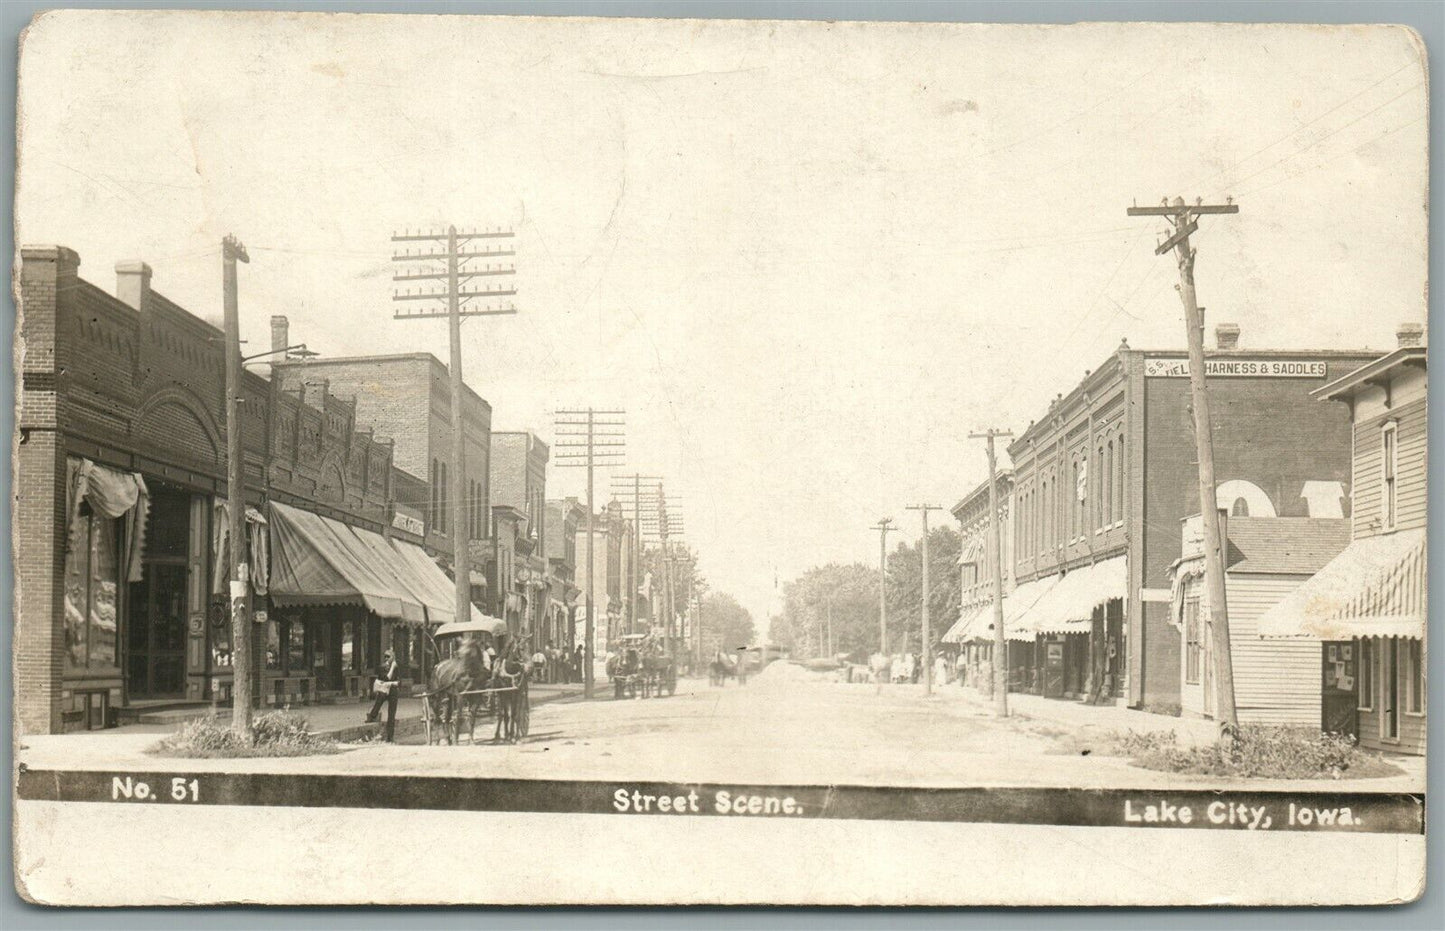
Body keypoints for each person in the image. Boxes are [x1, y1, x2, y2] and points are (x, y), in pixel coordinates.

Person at [365, 649, 402, 742]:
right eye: (385, 656)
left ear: (393, 657)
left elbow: (399, 682)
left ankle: (390, 736)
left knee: (391, 713)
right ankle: (372, 716)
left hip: (393, 690)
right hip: (384, 689)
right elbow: (386, 678)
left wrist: (392, 683)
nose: (386, 658)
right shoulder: (382, 667)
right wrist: (392, 670)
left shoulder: (397, 668)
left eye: (388, 656)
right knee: (378, 703)